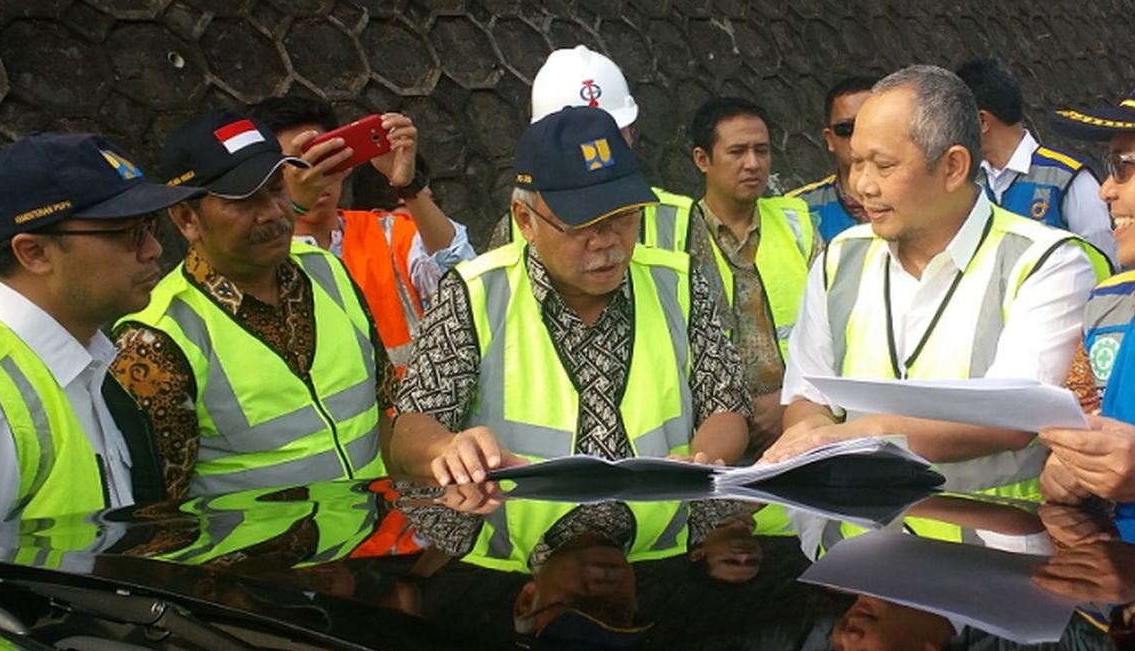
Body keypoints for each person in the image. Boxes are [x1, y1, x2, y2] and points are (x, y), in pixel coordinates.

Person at [767, 65, 1107, 498]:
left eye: (884, 165)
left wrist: (857, 436)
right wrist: (811, 431)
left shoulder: (1044, 263)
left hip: (997, 548)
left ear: (952, 167)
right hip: (862, 546)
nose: (861, 186)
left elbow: (1011, 420)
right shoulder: (840, 259)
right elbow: (807, 397)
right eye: (855, 163)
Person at [392, 106, 750, 484]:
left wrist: (700, 459)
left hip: (657, 538)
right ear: (525, 220)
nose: (607, 241)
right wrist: (445, 448)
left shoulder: (678, 284)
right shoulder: (473, 294)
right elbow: (411, 430)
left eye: (624, 216)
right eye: (582, 224)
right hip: (523, 538)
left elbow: (727, 405)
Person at [111, 111, 399, 502]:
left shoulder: (326, 269)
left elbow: (384, 412)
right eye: (243, 199)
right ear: (186, 219)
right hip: (256, 562)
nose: (273, 213)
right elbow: (156, 513)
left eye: (277, 188)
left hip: (369, 548)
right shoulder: (155, 341)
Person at [0, 133, 202, 522]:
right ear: (34, 253)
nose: (154, 249)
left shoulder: (91, 361)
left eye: (150, 226)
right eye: (128, 232)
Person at [1039, 50, 1135, 515]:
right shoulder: (1109, 305)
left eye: (1124, 164)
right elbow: (1077, 431)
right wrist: (1071, 468)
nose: (1106, 189)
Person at [250, 95, 475, 369]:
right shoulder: (257, 257)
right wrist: (293, 206)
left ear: (346, 163)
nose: (312, 173)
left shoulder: (388, 234)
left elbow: (466, 278)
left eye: (323, 157)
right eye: (297, 163)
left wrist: (409, 186)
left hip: (413, 411)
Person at [488, 44, 694, 251]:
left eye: (612, 132)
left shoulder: (681, 220)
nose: (599, 145)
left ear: (631, 132)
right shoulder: (515, 228)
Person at [956, 58, 1117, 267]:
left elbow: (1103, 263)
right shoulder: (967, 184)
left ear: (983, 121)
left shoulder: (1068, 179)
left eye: (955, 118)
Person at [786, 75, 878, 242]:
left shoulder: (926, 196)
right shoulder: (797, 209)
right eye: (846, 128)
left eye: (870, 124)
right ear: (829, 139)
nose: (858, 136)